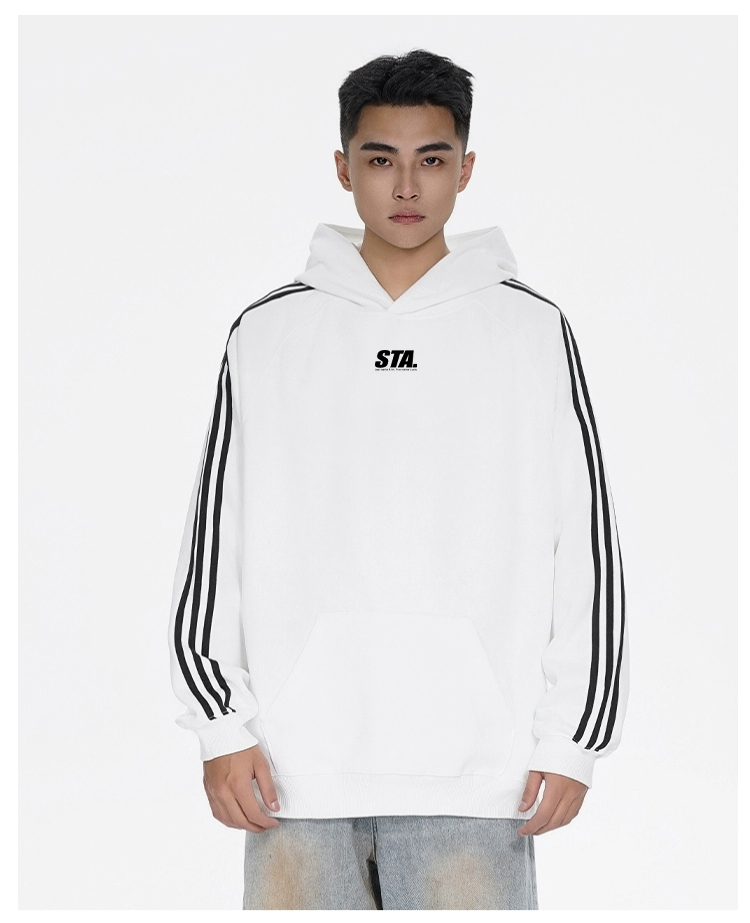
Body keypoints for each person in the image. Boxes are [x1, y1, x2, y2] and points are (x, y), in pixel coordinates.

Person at [167, 48, 629, 911]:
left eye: (432, 159)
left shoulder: (530, 330)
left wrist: (574, 738)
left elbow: (587, 544)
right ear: (344, 168)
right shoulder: (267, 334)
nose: (407, 186)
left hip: (479, 779)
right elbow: (213, 543)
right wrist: (220, 724)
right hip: (293, 776)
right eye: (381, 159)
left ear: (466, 169)